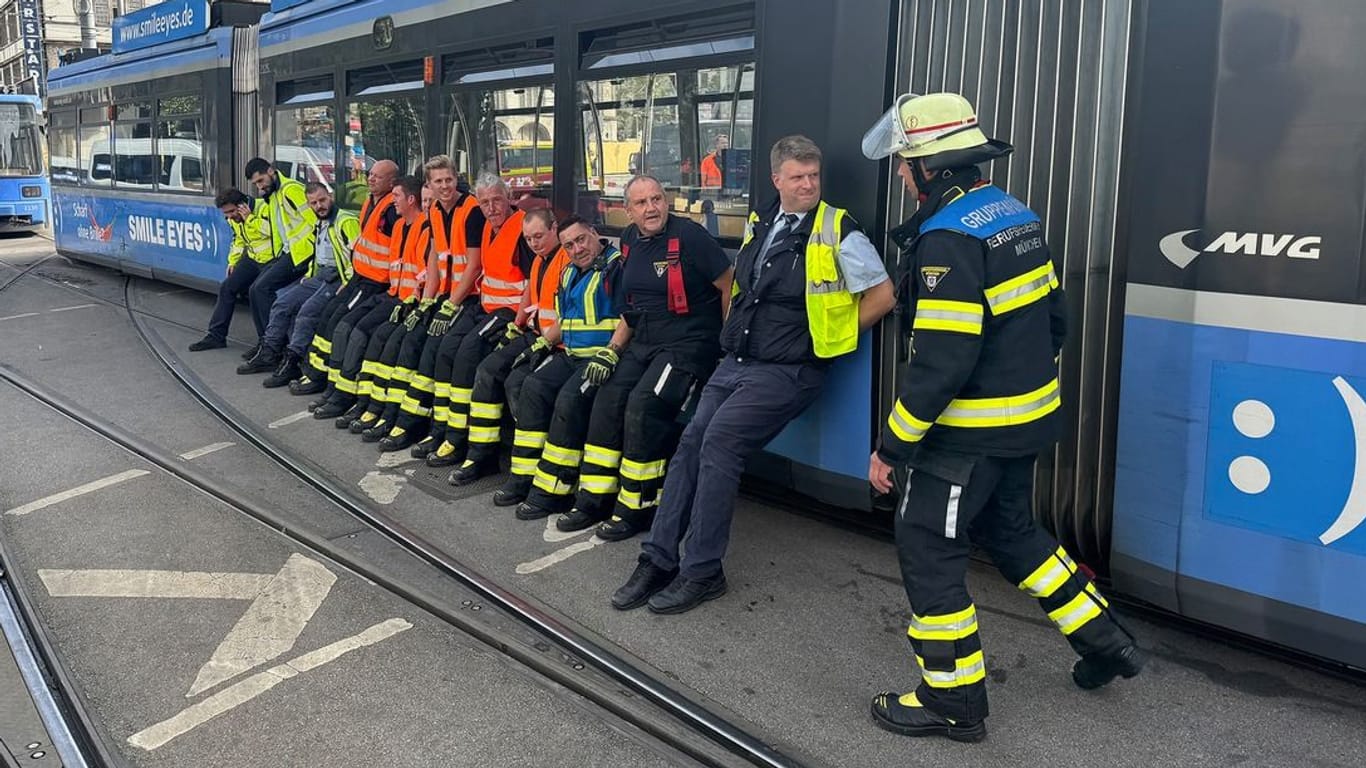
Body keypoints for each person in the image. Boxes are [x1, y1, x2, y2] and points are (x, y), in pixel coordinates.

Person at [859, 92, 1144, 742]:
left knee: (928, 548)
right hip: (1029, 421)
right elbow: (1057, 318)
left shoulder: (947, 239)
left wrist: (892, 448)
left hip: (968, 436)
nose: (901, 175)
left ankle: (953, 699)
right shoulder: (1013, 215)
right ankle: (1107, 641)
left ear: (932, 166)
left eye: (906, 164)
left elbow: (941, 364)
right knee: (1016, 536)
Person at [611, 135, 896, 615]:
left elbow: (883, 295)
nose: (808, 185)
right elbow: (741, 287)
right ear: (777, 179)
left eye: (814, 176)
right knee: (690, 445)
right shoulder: (763, 223)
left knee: (720, 442)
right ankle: (657, 558)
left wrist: (826, 340)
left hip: (789, 370)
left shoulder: (839, 229)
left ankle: (702, 570)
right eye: (798, 177)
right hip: (739, 361)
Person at [526, 175, 733, 531]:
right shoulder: (630, 241)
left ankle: (639, 507)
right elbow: (630, 308)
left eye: (656, 199)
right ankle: (594, 500)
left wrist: (725, 346)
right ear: (628, 211)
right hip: (644, 341)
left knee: (643, 406)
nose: (651, 208)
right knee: (606, 396)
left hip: (687, 345)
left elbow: (730, 286)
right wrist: (613, 349)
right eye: (642, 203)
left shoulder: (691, 237)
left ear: (666, 202)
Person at [499, 215, 623, 512]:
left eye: (581, 239)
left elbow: (627, 319)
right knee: (532, 386)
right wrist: (543, 342)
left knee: (568, 401)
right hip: (571, 354)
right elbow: (565, 320)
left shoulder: (616, 268)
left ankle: (555, 490)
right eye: (569, 245)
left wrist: (612, 351)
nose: (577, 248)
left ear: (594, 233)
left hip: (601, 358)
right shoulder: (569, 273)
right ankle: (524, 477)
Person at [449, 208, 568, 481]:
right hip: (533, 332)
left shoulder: (566, 259)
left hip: (556, 342)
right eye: (528, 239)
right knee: (487, 370)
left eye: (539, 236)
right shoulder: (540, 258)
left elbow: (570, 314)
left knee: (519, 382)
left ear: (554, 229)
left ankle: (528, 466)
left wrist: (541, 341)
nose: (534, 243)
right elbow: (530, 291)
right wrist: (517, 324)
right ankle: (481, 455)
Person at [377, 158, 486, 453]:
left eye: (448, 180)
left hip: (469, 297)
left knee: (439, 350)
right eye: (438, 182)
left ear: (456, 178)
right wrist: (426, 302)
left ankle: (440, 430)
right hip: (446, 295)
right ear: (429, 185)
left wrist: (450, 305)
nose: (445, 186)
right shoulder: (436, 210)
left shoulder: (472, 210)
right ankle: (402, 419)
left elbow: (474, 265)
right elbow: (437, 259)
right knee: (412, 339)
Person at [420, 173, 527, 466]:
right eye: (485, 202)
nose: (491, 208)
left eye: (497, 200)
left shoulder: (521, 229)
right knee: (445, 348)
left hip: (510, 312)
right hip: (486, 306)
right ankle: (441, 429)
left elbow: (533, 283)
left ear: (509, 199)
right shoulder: (488, 227)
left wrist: (517, 326)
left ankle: (464, 443)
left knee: (469, 355)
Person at [314, 173, 426, 421]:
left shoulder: (423, 228)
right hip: (391, 293)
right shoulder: (399, 226)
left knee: (361, 333)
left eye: (396, 196)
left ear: (410, 199)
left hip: (404, 299)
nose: (392, 201)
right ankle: (338, 391)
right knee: (345, 327)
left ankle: (352, 398)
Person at [289, 160, 399, 401]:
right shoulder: (371, 201)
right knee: (328, 314)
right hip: (360, 277)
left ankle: (336, 387)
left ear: (392, 182)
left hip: (376, 282)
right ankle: (316, 372)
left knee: (342, 324)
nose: (371, 179)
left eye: (378, 177)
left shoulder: (391, 209)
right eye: (370, 175)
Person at [254, 183, 361, 387]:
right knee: (282, 304)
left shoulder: (345, 221)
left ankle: (294, 362)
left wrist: (347, 283)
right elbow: (318, 252)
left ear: (330, 196)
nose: (319, 206)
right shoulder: (320, 221)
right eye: (314, 203)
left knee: (306, 313)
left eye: (322, 200)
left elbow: (357, 258)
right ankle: (269, 352)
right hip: (319, 276)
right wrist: (309, 275)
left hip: (337, 279)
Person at [240, 158, 317, 365]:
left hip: (301, 254)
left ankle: (273, 348)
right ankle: (265, 341)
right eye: (256, 184)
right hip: (287, 253)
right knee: (254, 289)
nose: (260, 186)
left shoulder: (291, 190)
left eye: (261, 180)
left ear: (271, 171)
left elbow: (316, 223)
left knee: (262, 288)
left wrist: (309, 257)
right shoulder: (273, 195)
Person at [189, 188, 273, 351]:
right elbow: (239, 240)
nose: (229, 217)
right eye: (226, 214)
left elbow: (273, 232)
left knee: (257, 293)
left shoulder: (265, 207)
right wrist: (233, 262)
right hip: (253, 258)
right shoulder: (234, 218)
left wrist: (249, 218)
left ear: (242, 205)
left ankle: (267, 343)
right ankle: (216, 336)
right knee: (227, 288)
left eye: (232, 212)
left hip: (271, 259)